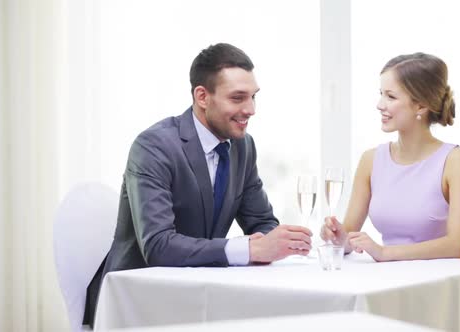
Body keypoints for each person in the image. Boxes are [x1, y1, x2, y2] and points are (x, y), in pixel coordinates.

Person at [84, 43, 312, 327]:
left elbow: (262, 221)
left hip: (204, 294)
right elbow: (158, 246)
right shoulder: (154, 146)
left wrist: (274, 243)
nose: (250, 109)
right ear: (202, 96)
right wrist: (249, 250)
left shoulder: (243, 146)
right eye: (238, 98)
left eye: (253, 97)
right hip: (141, 302)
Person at [321, 52, 460, 261]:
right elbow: (348, 238)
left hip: (436, 281)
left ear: (421, 105)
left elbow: (457, 246)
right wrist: (338, 238)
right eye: (381, 94)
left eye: (391, 97)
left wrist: (385, 253)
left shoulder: (456, 160)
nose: (379, 104)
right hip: (389, 279)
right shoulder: (371, 160)